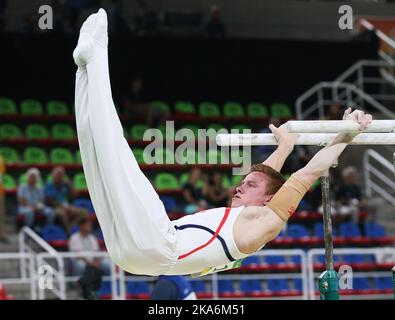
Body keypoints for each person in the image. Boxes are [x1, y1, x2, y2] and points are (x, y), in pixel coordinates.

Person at [73, 9, 372, 277]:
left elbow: (307, 174)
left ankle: (98, 57)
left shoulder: (265, 223)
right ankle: (84, 69)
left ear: (269, 201)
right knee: (95, 164)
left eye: (250, 186)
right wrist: (284, 149)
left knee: (115, 156)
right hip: (133, 257)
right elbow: (266, 180)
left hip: (157, 244)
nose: (240, 185)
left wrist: (347, 134)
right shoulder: (244, 218)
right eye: (245, 182)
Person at [44, 166, 88, 233]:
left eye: (61, 175)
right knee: (62, 214)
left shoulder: (65, 185)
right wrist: (63, 207)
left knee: (84, 212)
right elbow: (50, 201)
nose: (59, 177)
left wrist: (70, 185)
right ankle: (69, 232)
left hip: (67, 206)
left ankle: (72, 226)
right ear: (53, 176)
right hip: (55, 207)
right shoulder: (49, 185)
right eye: (57, 175)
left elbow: (75, 195)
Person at [0, 155, 6, 243]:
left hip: (0, 192)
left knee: (1, 215)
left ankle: (1, 236)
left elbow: (2, 174)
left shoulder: (0, 159)